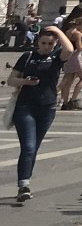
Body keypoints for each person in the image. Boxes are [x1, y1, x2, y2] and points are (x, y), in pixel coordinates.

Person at [8, 22, 74, 203]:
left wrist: (58, 31)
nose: (46, 47)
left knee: (34, 147)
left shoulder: (56, 57)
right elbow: (11, 80)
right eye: (43, 43)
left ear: (55, 43)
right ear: (38, 42)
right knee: (28, 147)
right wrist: (26, 82)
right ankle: (23, 186)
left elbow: (70, 50)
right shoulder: (27, 56)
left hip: (47, 108)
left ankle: (25, 180)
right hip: (25, 107)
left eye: (50, 43)